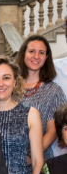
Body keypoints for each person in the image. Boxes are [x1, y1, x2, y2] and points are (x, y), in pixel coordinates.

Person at [15, 34, 67, 162]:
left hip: (40, 158)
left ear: (46, 57)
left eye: (41, 53)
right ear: (23, 53)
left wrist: (32, 155)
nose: (36, 57)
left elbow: (53, 130)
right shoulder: (10, 86)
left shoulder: (53, 90)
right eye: (32, 51)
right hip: (8, 157)